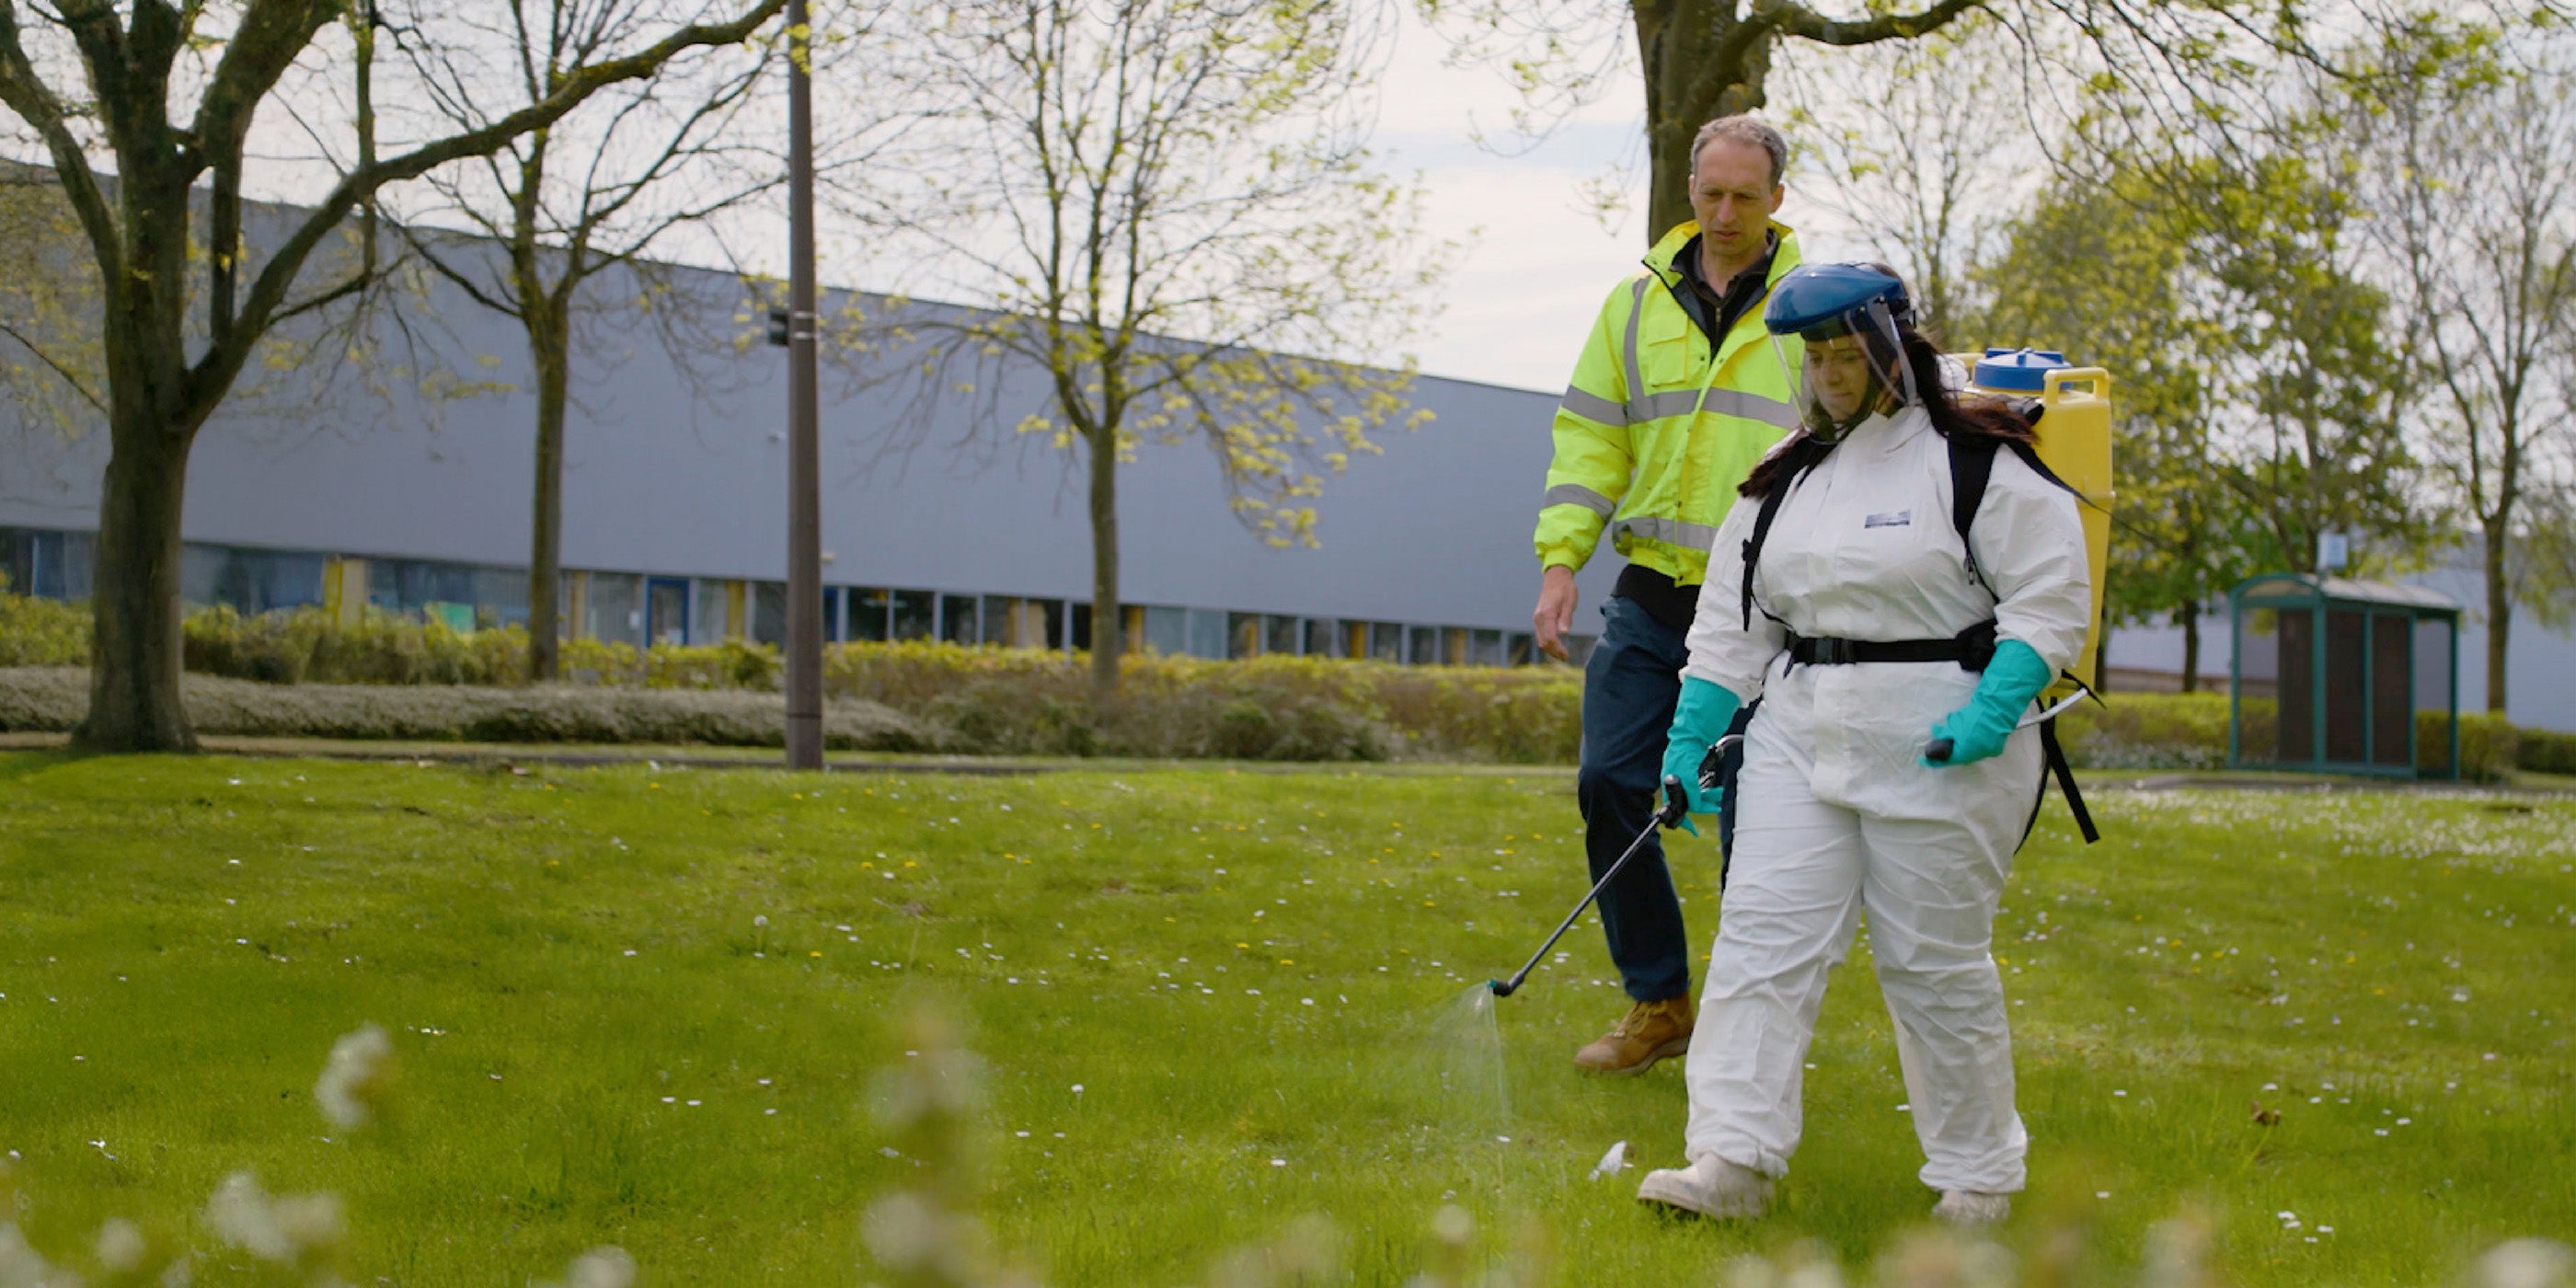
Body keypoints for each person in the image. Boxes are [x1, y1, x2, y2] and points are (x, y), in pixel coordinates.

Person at [1631, 263, 2090, 1226]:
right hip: (1801, 732)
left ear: (1895, 345)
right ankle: (1732, 1158)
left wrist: (1997, 704)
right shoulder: (1783, 479)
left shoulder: (1975, 460)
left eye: (1850, 353)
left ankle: (1976, 1179)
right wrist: (1690, 740)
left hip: (1939, 737)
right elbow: (1731, 626)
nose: (1834, 374)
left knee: (1932, 961)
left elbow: (2047, 598)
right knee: (1760, 939)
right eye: (1819, 357)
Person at [1531, 115, 1806, 1075]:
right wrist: (1560, 560)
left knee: (1754, 818)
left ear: (1778, 199)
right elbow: (1589, 438)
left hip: (1770, 611)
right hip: (1650, 594)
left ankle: (1743, 1024)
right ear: (1688, 192)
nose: (1725, 213)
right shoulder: (1631, 306)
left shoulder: (1815, 313)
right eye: (1709, 194)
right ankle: (1659, 1000)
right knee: (1610, 779)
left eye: (1745, 196)